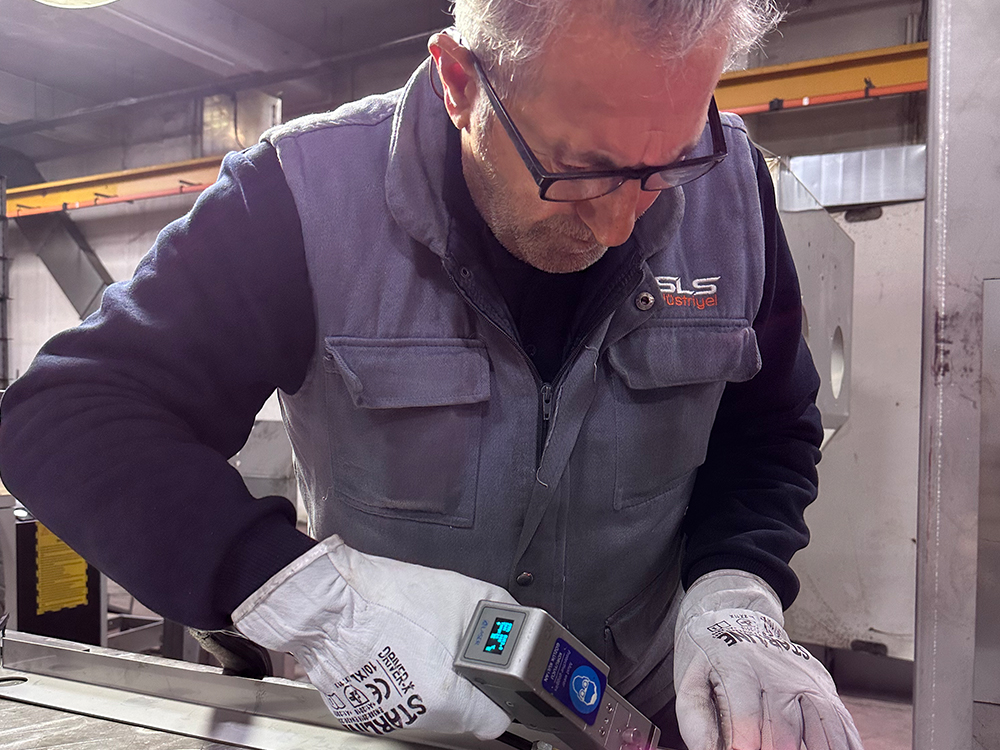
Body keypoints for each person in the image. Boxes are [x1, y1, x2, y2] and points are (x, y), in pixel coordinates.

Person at [0, 1, 864, 748]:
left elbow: (767, 431)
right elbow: (61, 417)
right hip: (408, 720)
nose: (619, 224)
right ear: (459, 82)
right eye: (581, 169)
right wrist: (316, 603)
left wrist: (737, 592)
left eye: (668, 163)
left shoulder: (735, 189)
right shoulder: (299, 197)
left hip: (639, 708)